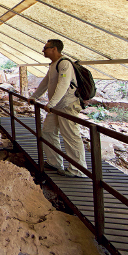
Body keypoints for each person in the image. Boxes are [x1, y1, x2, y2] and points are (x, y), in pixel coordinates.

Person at [27, 39, 87, 178]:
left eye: (46, 48)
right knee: (48, 131)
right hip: (57, 106)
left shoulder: (64, 63)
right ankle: (54, 162)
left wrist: (51, 103)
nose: (43, 50)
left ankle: (78, 169)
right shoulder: (54, 64)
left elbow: (64, 84)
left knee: (71, 135)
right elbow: (46, 81)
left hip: (67, 105)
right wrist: (35, 96)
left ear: (54, 49)